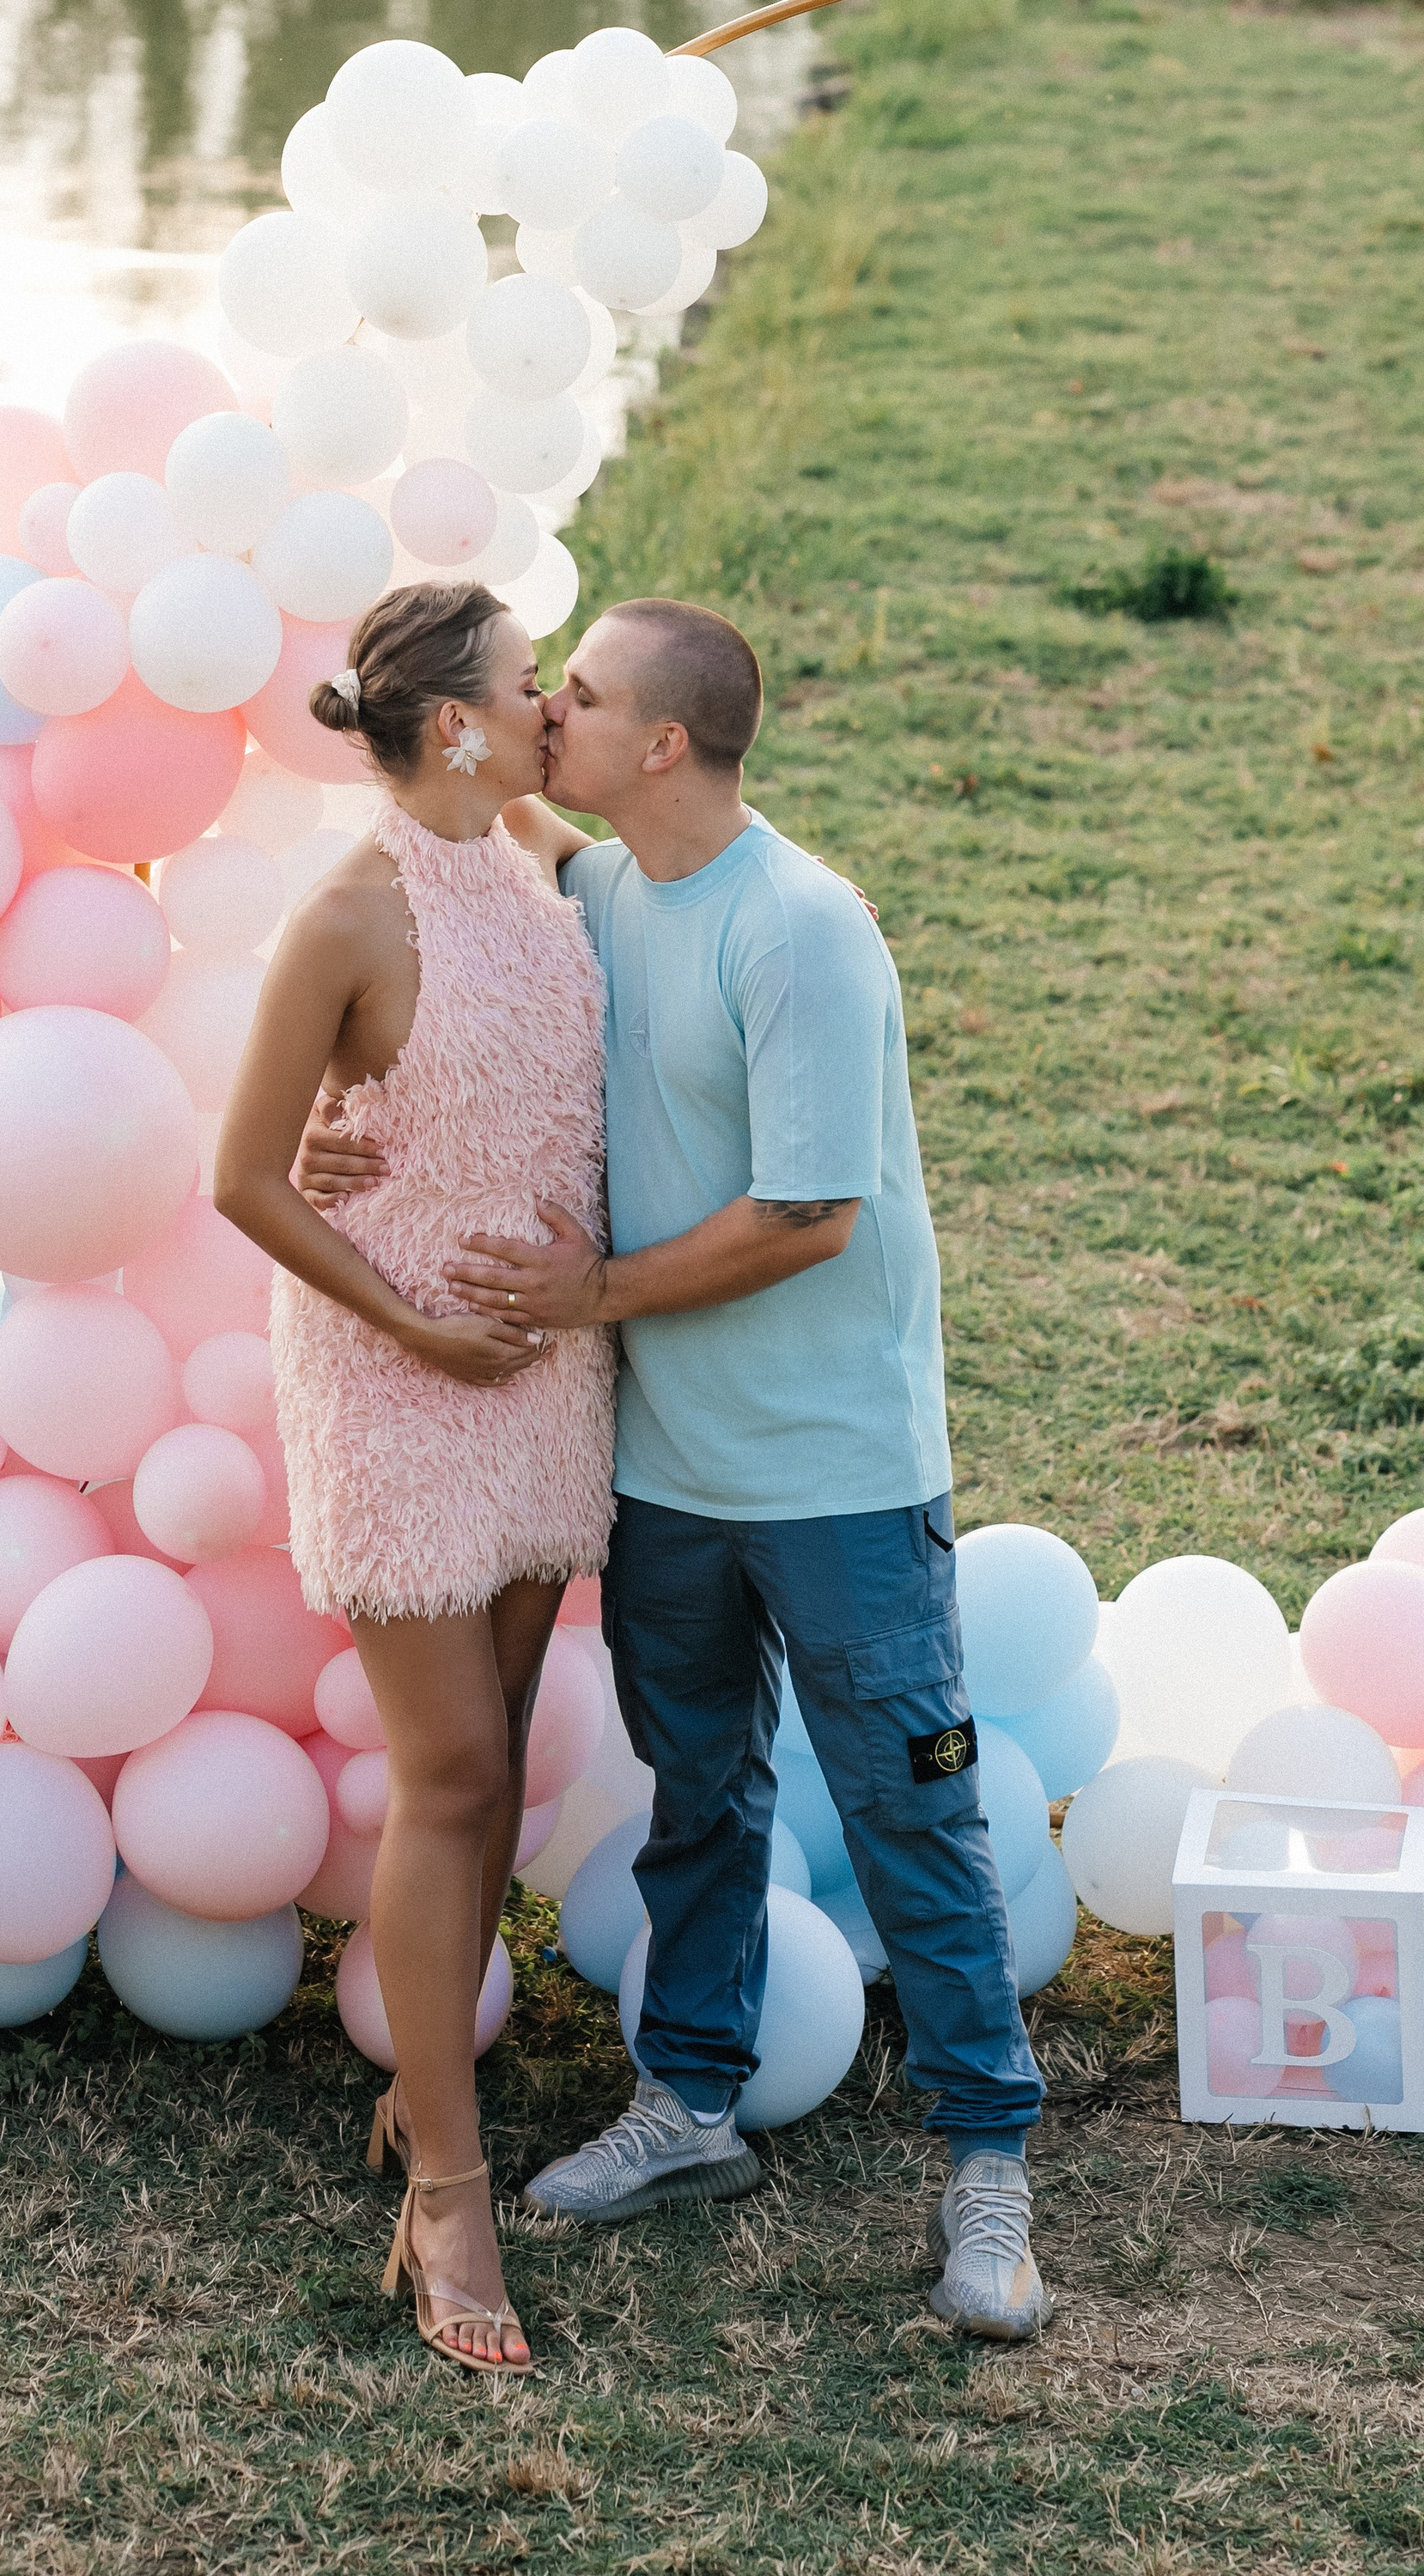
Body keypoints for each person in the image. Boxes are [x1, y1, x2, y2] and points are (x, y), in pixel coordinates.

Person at [301, 595, 1052, 2344]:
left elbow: (806, 1211)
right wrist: (344, 1114)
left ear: (660, 742)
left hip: (837, 1470)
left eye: (579, 690)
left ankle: (987, 2162)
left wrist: (591, 1293)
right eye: (542, 684)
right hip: (664, 1469)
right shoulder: (599, 886)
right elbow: (450, 853)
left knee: (906, 1801)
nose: (544, 704)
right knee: (695, 1790)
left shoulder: (798, 927)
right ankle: (691, 2102)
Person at [213, 578, 615, 2379]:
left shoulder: (520, 854)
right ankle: (447, 2182)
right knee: (447, 1770)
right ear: (452, 722)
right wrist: (415, 1322)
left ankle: (420, 2103)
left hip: (543, 1376)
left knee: (498, 1752)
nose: (556, 711)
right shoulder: (347, 908)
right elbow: (246, 1177)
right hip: (396, 1381)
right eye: (534, 687)